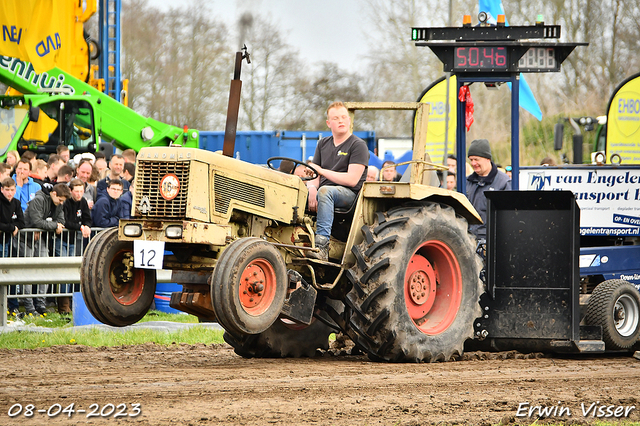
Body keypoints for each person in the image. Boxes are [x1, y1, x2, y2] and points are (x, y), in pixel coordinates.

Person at [305, 102, 368, 261]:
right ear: (328, 123)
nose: (340, 121)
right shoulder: (322, 144)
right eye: (335, 118)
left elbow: (352, 180)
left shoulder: (358, 145)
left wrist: (321, 172)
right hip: (322, 191)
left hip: (349, 196)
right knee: (295, 190)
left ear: (349, 121)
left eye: (343, 117)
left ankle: (321, 246)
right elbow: (314, 175)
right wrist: (312, 188)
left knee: (326, 192)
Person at [23, 183, 70, 315]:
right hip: (26, 238)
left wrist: (48, 226)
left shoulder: (58, 203)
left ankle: (41, 305)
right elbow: (37, 221)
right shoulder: (39, 199)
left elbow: (62, 220)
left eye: (63, 201)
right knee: (27, 272)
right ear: (54, 194)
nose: (61, 203)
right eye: (60, 200)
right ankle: (29, 307)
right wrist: (53, 225)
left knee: (44, 269)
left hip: (41, 238)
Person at [466, 139, 511, 241]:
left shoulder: (503, 183)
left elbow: (508, 217)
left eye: (476, 159)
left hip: (490, 240)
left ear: (487, 159)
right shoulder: (467, 182)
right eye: (471, 160)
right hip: (467, 239)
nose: (473, 163)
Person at [0, 177, 25, 314]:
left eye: (12, 190)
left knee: (11, 273)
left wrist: (14, 227)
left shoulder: (16, 202)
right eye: (7, 190)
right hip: (1, 242)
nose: (10, 193)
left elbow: (22, 222)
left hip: (10, 243)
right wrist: (12, 227)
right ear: (2, 190)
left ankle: (13, 305)